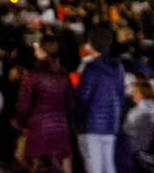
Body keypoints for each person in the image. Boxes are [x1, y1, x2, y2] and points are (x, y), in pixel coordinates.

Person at [15, 37, 75, 173]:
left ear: (43, 51)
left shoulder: (33, 75)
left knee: (38, 164)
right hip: (60, 125)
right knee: (65, 160)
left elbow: (23, 104)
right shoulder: (64, 75)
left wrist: (20, 122)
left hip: (39, 125)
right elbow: (71, 103)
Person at [75, 27, 125, 173]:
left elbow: (83, 98)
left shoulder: (91, 68)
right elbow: (120, 95)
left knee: (94, 166)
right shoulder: (117, 67)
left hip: (91, 125)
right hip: (111, 124)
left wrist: (77, 120)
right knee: (109, 165)